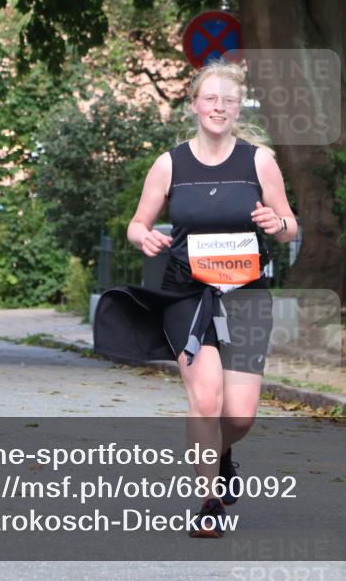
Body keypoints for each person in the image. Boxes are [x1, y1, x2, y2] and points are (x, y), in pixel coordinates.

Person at [94, 59, 297, 537]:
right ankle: (208, 502)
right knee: (205, 399)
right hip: (187, 291)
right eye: (211, 98)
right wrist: (143, 237)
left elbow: (290, 225)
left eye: (229, 100)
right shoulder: (170, 163)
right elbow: (136, 224)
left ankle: (223, 454)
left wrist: (277, 225)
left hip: (246, 294)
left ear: (236, 107)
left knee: (240, 415)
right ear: (195, 105)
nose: (219, 107)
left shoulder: (258, 161)